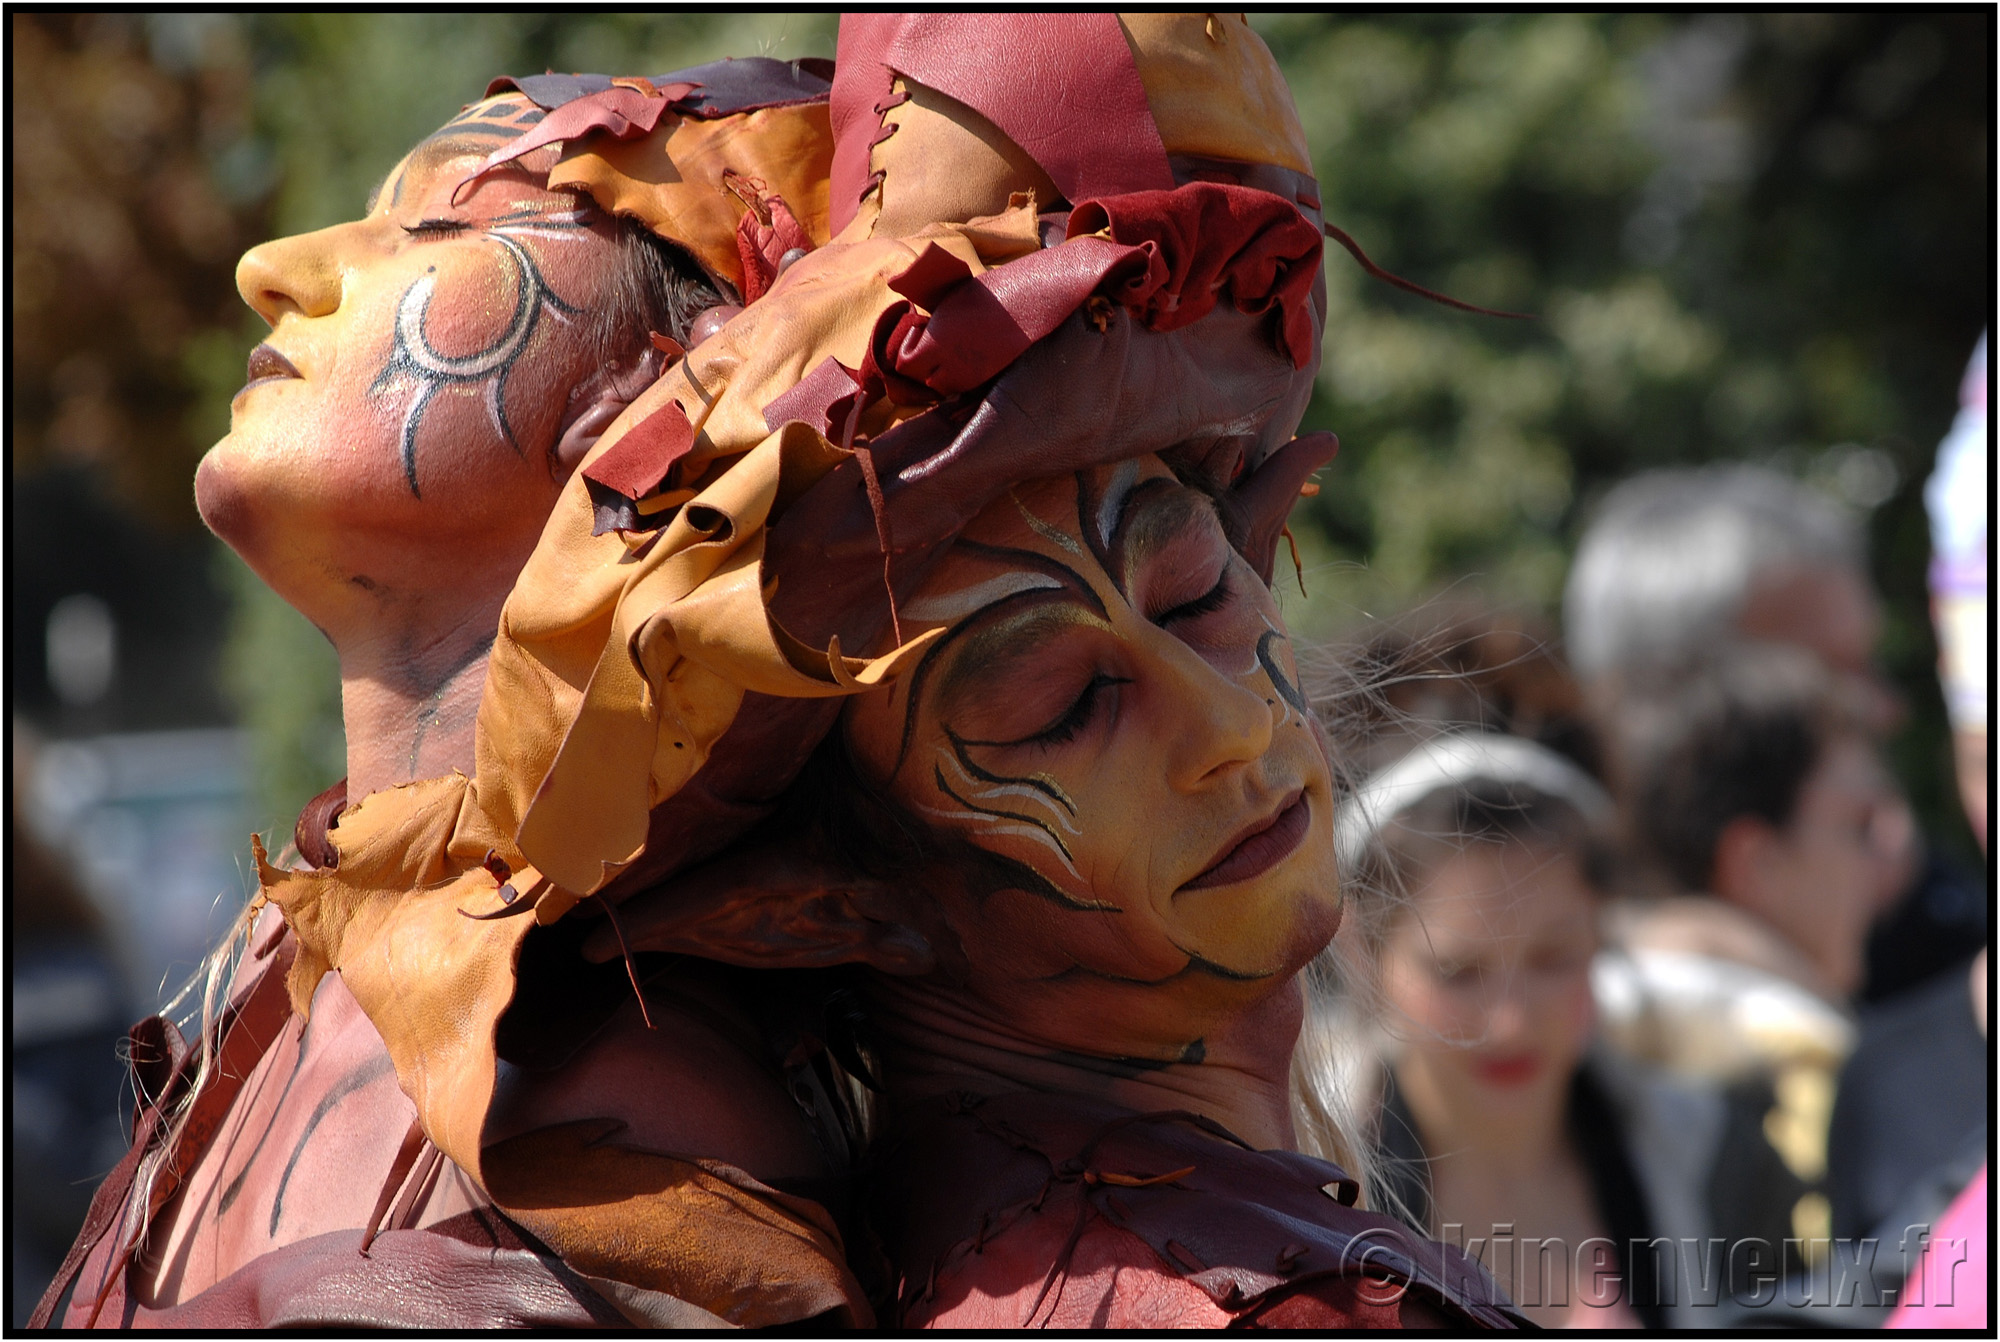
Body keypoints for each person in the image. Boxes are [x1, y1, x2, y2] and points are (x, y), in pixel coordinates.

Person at [39, 59, 880, 1330]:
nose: (275, 261)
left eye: (441, 223)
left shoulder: (627, 1118)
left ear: (653, 401)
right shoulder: (281, 974)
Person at [1317, 730, 1800, 1327]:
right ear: (1363, 953)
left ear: (1601, 935)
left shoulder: (1718, 1162)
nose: (1510, 1021)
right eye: (1459, 973)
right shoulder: (1311, 1194)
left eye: (1553, 960)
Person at [1563, 462, 1980, 1004]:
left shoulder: (1933, 906)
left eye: (1870, 661)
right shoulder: (1564, 999)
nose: (1885, 708)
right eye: (1830, 676)